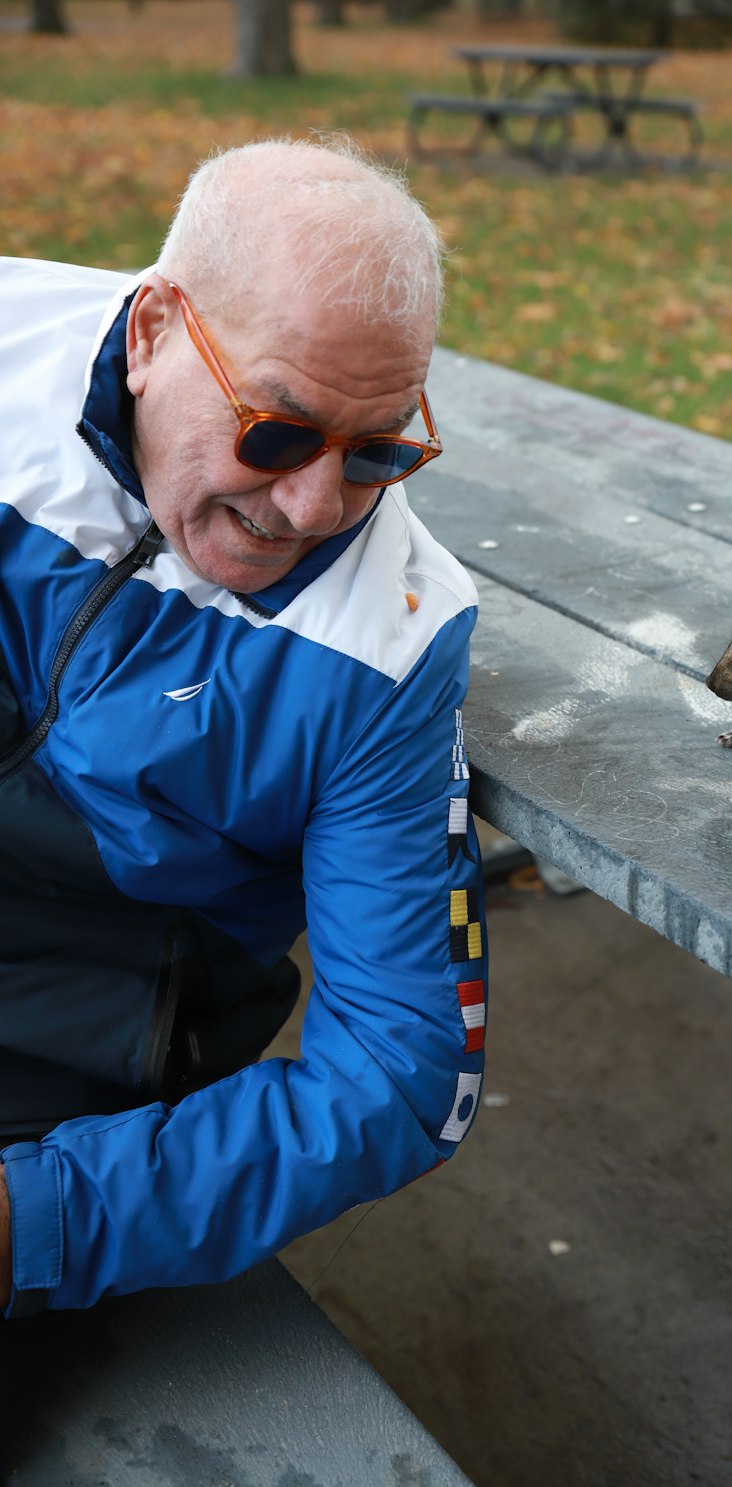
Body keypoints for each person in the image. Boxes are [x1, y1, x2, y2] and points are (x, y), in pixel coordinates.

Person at [0, 134, 487, 1316]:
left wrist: (37, 1220)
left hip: (80, 1050)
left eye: (379, 451)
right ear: (156, 329)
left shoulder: (387, 645)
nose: (313, 508)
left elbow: (403, 1075)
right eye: (274, 431)